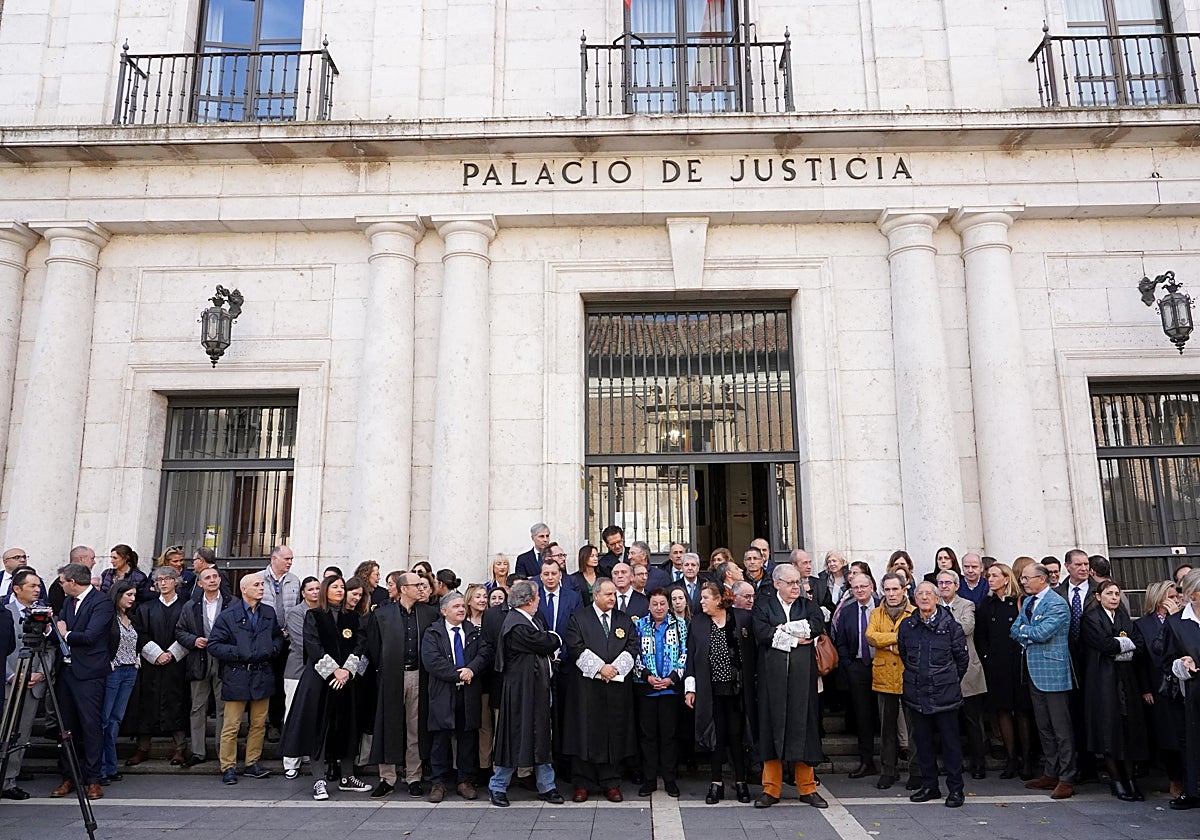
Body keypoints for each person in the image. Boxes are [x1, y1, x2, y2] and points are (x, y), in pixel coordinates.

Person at [279, 575, 369, 801]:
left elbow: (360, 644)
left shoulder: (353, 617)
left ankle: (347, 776)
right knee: (320, 729)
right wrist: (333, 671)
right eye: (335, 587)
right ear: (325, 591)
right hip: (320, 681)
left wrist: (347, 670)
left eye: (342, 587)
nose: (340, 591)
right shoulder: (315, 615)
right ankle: (319, 780)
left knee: (347, 727)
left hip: (346, 682)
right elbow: (312, 646)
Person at [751, 564, 827, 809]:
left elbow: (815, 625)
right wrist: (796, 639)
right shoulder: (763, 605)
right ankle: (771, 789)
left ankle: (807, 788)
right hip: (772, 680)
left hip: (802, 679)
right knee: (771, 728)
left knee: (804, 727)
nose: (797, 587)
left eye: (798, 583)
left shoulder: (808, 605)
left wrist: (784, 630)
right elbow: (763, 633)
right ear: (777, 584)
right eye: (791, 583)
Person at [488, 579, 564, 806]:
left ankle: (547, 785)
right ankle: (498, 786)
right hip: (520, 691)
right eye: (537, 596)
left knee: (542, 735)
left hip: (537, 688)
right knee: (514, 736)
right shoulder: (518, 625)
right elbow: (545, 642)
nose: (540, 599)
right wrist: (555, 639)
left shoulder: (530, 620)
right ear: (529, 600)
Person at [563, 578, 638, 803]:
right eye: (608, 595)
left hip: (615, 689)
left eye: (614, 595)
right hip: (586, 689)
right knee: (584, 733)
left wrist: (614, 669)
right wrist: (599, 668)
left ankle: (611, 782)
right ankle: (582, 783)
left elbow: (632, 645)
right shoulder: (579, 618)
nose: (612, 599)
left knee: (613, 733)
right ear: (596, 595)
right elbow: (575, 646)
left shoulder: (623, 620)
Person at [207, 573, 284, 785]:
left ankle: (252, 762)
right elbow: (214, 645)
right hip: (237, 674)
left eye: (262, 584)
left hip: (262, 673)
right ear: (244, 589)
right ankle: (228, 766)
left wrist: (273, 648)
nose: (261, 588)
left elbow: (277, 635)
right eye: (257, 585)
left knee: (259, 723)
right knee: (231, 725)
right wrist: (239, 652)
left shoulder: (268, 612)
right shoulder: (228, 615)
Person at [366, 570, 437, 798]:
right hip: (391, 677)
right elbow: (374, 649)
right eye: (417, 585)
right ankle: (387, 777)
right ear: (404, 588)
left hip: (418, 676)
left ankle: (413, 777)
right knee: (389, 725)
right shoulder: (382, 614)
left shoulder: (429, 614)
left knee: (415, 729)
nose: (422, 588)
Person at [898, 582, 969, 808]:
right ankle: (930, 786)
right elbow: (904, 654)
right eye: (920, 594)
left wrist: (946, 680)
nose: (925, 598)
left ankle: (956, 789)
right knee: (923, 743)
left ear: (937, 598)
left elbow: (961, 660)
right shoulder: (907, 625)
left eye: (929, 594)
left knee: (950, 745)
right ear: (914, 599)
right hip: (916, 694)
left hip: (945, 695)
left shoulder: (951, 626)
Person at [1011, 563, 1077, 800]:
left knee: (1061, 728)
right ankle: (1051, 772)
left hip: (1053, 672)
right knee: (1044, 727)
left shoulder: (1057, 604)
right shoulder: (1029, 602)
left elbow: (1041, 633)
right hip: (1033, 671)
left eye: (1027, 578)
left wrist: (1026, 631)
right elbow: (1014, 629)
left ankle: (1068, 777)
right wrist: (1028, 630)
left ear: (1042, 579)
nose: (1023, 582)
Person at [684, 582, 753, 804]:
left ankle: (741, 782)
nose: (701, 601)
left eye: (705, 597)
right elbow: (691, 658)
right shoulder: (698, 622)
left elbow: (752, 652)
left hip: (738, 690)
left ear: (719, 599)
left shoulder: (740, 618)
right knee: (716, 736)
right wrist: (690, 689)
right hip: (710, 690)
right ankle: (716, 784)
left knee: (736, 734)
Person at [52, 562, 116, 800]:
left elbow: (91, 636)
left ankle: (93, 779)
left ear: (73, 582)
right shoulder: (68, 603)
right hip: (66, 673)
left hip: (90, 674)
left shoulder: (101, 602)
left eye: (62, 582)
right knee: (65, 726)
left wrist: (64, 633)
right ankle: (68, 776)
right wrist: (56, 632)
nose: (60, 586)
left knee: (91, 726)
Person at [1080, 579, 1149, 801]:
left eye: (1117, 594)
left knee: (1128, 729)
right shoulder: (1090, 619)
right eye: (1109, 593)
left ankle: (1130, 779)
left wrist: (1120, 645)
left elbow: (1138, 643)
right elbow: (1104, 644)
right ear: (1099, 597)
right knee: (1109, 729)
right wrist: (1122, 644)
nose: (1114, 597)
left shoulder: (1124, 618)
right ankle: (1116, 779)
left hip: (1125, 681)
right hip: (1102, 680)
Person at [421, 591, 490, 802]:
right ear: (444, 611)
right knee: (441, 738)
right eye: (456, 607)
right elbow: (432, 661)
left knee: (467, 737)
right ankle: (438, 783)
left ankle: (464, 781)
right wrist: (458, 674)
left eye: (462, 606)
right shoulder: (433, 633)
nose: (461, 609)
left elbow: (485, 653)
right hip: (443, 692)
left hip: (468, 693)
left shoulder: (474, 632)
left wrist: (471, 669)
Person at [124, 566, 190, 767]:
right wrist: (156, 654)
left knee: (177, 702)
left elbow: (190, 631)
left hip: (178, 665)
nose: (163, 583)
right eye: (159, 580)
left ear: (175, 581)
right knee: (147, 703)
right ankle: (143, 747)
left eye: (167, 579)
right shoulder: (146, 608)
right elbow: (140, 634)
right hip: (151, 664)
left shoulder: (187, 607)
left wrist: (171, 654)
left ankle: (179, 748)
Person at [975, 561, 1035, 779]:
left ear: (1006, 578)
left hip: (1018, 663)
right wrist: (987, 657)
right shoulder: (987, 604)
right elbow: (981, 635)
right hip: (996, 665)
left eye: (994, 575)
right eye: (988, 576)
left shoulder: (1020, 602)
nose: (989, 579)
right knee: (1002, 711)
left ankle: (1026, 759)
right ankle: (1010, 758)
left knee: (1021, 711)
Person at [632, 589, 685, 797]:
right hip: (647, 689)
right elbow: (634, 653)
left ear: (668, 605)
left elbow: (685, 653)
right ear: (649, 605)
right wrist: (646, 676)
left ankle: (670, 779)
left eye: (663, 603)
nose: (659, 608)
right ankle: (649, 779)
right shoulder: (639, 625)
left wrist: (672, 678)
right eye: (655, 604)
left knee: (669, 735)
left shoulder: (679, 625)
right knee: (648, 736)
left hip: (670, 690)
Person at [867, 572, 917, 790]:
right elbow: (871, 637)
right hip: (884, 676)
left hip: (909, 676)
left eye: (895, 589)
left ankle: (916, 771)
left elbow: (913, 642)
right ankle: (888, 771)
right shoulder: (876, 613)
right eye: (887, 590)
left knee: (914, 727)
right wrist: (898, 640)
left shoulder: (914, 613)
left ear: (904, 590)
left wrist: (887, 643)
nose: (891, 594)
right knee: (886, 728)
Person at [1135, 580, 1185, 797]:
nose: (1176, 601)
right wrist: (1146, 688)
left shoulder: (1185, 619)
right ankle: (1175, 777)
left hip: (1184, 683)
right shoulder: (1143, 624)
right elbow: (1144, 659)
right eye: (1171, 597)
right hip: (1159, 684)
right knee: (1168, 734)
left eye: (1177, 597)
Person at [936, 570, 988, 779]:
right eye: (941, 582)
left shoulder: (966, 604)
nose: (945, 586)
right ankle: (949, 762)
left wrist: (939, 627)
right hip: (941, 671)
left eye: (949, 582)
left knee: (972, 720)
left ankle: (979, 763)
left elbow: (966, 627)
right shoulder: (933, 605)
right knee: (946, 722)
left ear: (957, 586)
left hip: (966, 670)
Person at [175, 565, 228, 767]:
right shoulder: (191, 606)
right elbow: (179, 631)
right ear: (200, 583)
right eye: (208, 577)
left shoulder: (231, 604)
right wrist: (194, 640)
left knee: (224, 706)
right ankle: (198, 751)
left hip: (224, 660)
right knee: (197, 706)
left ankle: (222, 749)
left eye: (215, 576)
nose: (212, 580)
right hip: (199, 659)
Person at [832, 572, 880, 779]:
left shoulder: (882, 606)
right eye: (855, 587)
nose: (859, 590)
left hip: (883, 665)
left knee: (887, 715)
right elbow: (840, 642)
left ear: (871, 587)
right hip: (858, 667)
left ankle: (891, 763)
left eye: (863, 586)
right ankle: (866, 761)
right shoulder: (848, 611)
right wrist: (849, 665)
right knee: (863, 716)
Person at [1161, 568, 1200, 810]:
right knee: (1193, 742)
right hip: (1193, 693)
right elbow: (1167, 660)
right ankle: (1193, 790)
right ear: (1194, 594)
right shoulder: (1176, 623)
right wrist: (1182, 664)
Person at [3, 569, 44, 799]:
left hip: (32, 683)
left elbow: (48, 649)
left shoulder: (43, 614)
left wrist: (38, 673)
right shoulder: (5, 613)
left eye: (38, 585)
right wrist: (10, 675)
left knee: (22, 733)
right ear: (17, 589)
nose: (37, 590)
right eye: (32, 586)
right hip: (8, 683)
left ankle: (9, 780)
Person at [1054, 548, 1094, 782]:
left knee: (1093, 711)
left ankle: (1092, 763)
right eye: (1078, 564)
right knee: (1072, 714)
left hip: (1094, 659)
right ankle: (1076, 764)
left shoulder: (1100, 590)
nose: (1084, 568)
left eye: (1086, 564)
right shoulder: (1058, 593)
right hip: (1066, 659)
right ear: (1067, 566)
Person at [279, 575, 320, 778]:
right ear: (303, 592)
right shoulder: (296, 613)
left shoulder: (323, 612)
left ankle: (306, 753)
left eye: (317, 588)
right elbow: (303, 641)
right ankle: (290, 762)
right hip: (298, 670)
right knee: (292, 714)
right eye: (310, 589)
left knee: (312, 714)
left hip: (319, 671)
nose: (315, 592)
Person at [258, 545, 300, 738]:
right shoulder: (259, 579)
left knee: (284, 682)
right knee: (268, 682)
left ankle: (281, 722)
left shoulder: (294, 581)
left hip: (288, 639)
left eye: (291, 559)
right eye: (286, 559)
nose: (290, 562)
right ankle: (268, 724)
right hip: (265, 639)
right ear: (274, 559)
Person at [98, 581, 138, 787]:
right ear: (118, 595)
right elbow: (103, 642)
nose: (132, 598)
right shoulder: (109, 618)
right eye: (128, 594)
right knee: (104, 719)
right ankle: (102, 767)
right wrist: (110, 663)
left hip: (130, 671)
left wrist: (137, 660)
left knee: (115, 719)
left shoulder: (130, 618)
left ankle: (111, 767)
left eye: (134, 595)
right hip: (114, 671)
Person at [789, 549, 832, 613]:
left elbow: (830, 608)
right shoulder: (786, 586)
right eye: (805, 563)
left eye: (810, 562)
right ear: (794, 565)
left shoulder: (820, 585)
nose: (809, 567)